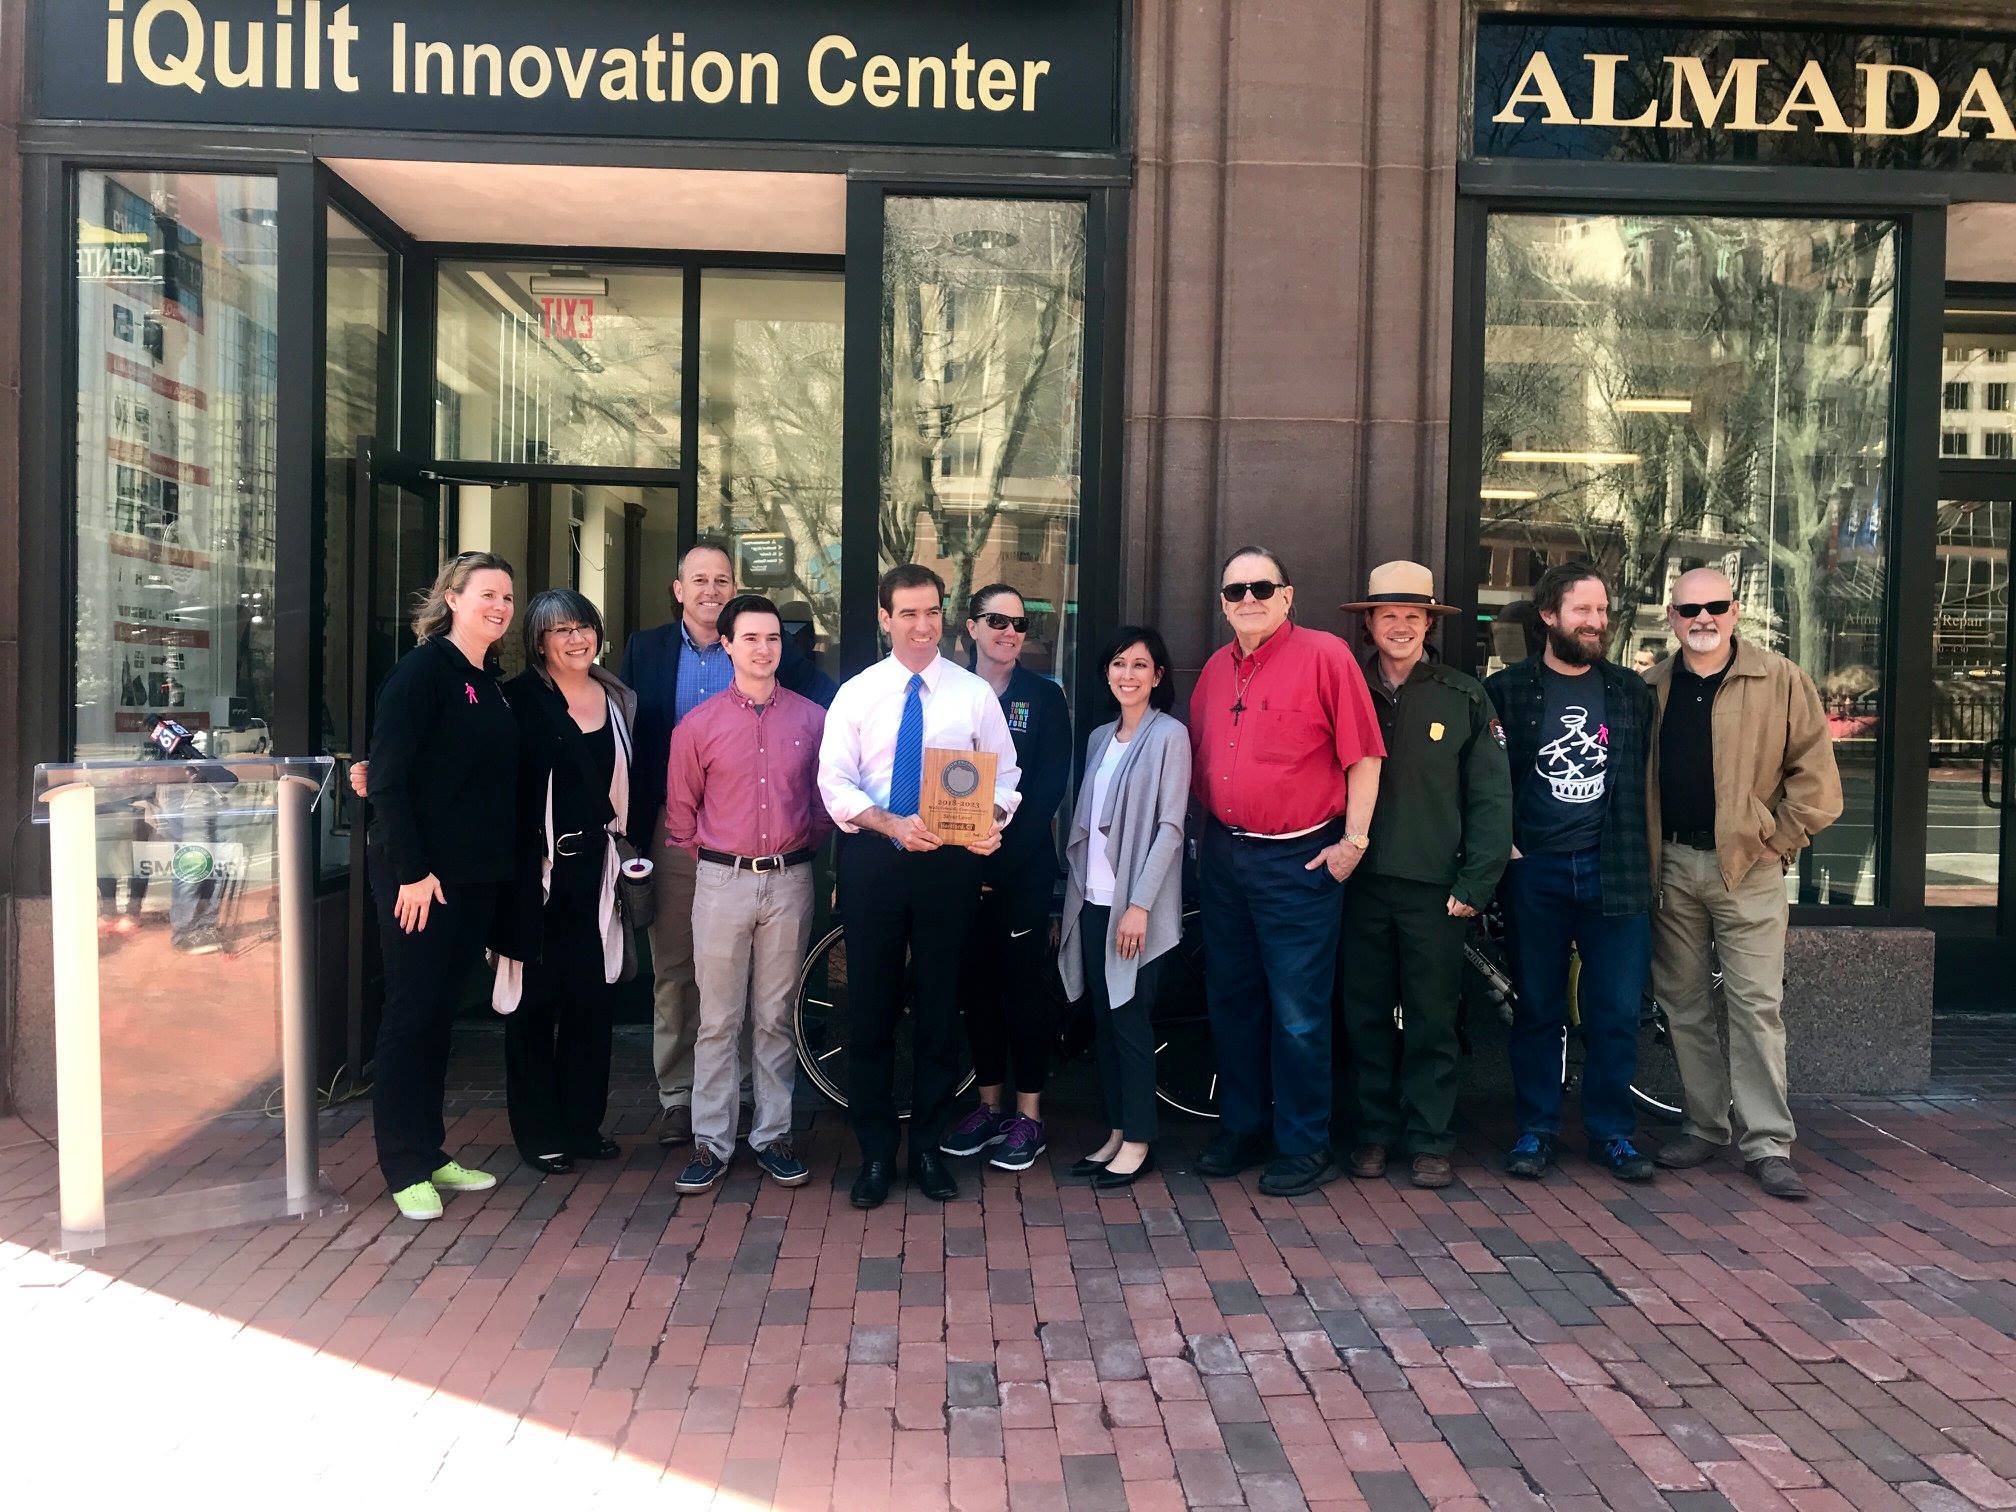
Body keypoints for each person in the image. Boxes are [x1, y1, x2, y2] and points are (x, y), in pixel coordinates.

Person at [817, 563, 1022, 1210]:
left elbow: (1005, 777)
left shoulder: (971, 695)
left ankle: (929, 1148)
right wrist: (887, 823)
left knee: (939, 1009)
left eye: (931, 611)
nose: (921, 624)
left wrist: (991, 821)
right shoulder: (856, 693)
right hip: (875, 858)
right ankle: (876, 1154)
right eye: (907, 612)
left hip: (949, 866)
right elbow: (835, 783)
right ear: (885, 619)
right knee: (869, 1008)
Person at [620, 541, 835, 1149]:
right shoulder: (648, 650)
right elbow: (626, 731)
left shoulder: (769, 653)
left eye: (722, 579)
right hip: (683, 829)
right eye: (699, 579)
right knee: (679, 968)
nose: (710, 589)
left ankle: (750, 1102)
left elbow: (823, 737)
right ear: (678, 588)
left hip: (768, 841)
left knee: (765, 994)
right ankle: (679, 1096)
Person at [1189, 545, 1384, 1196]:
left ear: (1288, 595)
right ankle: (1243, 1127)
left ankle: (1304, 1144)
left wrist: (1353, 842)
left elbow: (1365, 755)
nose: (1249, 599)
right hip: (1224, 857)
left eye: (1262, 587)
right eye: (1236, 590)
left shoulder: (1326, 656)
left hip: (1298, 860)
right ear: (1222, 603)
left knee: (1299, 1012)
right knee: (1232, 1001)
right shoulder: (1216, 669)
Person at [1644, 568, 1842, 1201]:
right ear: (1670, 619)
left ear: (1736, 611)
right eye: (1688, 610)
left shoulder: (1780, 680)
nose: (1703, 619)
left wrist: (1776, 845)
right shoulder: (1651, 688)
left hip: (1749, 868)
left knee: (1756, 1004)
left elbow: (1816, 781)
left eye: (1715, 607)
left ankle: (1767, 1142)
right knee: (1683, 1004)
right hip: (1673, 866)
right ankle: (1706, 1124)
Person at [1336, 563, 1512, 1190]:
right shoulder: (1343, 687)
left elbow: (1492, 799)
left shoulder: (1463, 695)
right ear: (1370, 624)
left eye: (1414, 617)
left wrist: (1476, 883)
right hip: (1356, 887)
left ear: (1429, 624)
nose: (1402, 627)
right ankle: (1373, 1133)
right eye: (1390, 616)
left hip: (1437, 891)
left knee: (1433, 1018)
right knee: (1364, 1017)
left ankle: (1432, 1137)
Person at [1485, 560, 1658, 1184]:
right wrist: (1503, 846)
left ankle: (1612, 1134)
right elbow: (1487, 783)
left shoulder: (1631, 694)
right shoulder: (1506, 691)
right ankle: (1536, 1131)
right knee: (1538, 1010)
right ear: (1549, 616)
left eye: (1602, 611)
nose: (1596, 622)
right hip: (1537, 873)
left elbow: (1647, 785)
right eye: (1582, 610)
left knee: (1613, 1013)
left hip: (1616, 870)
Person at [363, 551, 519, 1221]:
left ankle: (429, 1150)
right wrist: (412, 872)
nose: (500, 606)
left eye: (508, 597)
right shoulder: (421, 672)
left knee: (439, 1017)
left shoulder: (488, 679)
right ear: (453, 597)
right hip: (421, 881)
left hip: (474, 879)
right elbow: (388, 780)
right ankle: (402, 1164)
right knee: (411, 1016)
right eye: (487, 593)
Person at [663, 593, 831, 1194]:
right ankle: (711, 1142)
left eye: (774, 639)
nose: (764, 649)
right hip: (721, 881)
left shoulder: (812, 719)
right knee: (717, 1019)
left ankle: (773, 1136)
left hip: (789, 879)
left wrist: (792, 853)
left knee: (775, 1017)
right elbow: (680, 818)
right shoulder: (698, 726)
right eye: (751, 639)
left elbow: (821, 807)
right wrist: (723, 862)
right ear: (727, 645)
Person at [489, 589, 637, 1177]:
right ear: (538, 641)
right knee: (532, 1003)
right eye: (560, 630)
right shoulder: (516, 699)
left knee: (591, 1001)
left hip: (598, 872)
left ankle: (582, 1124)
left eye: (584, 626)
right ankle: (538, 1133)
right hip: (536, 873)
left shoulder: (618, 697)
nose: (576, 639)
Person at [940, 583, 1071, 1173]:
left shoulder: (1045, 697)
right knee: (975, 987)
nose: (1009, 632)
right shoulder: (948, 692)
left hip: (1019, 867)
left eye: (1021, 624)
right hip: (957, 866)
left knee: (1023, 990)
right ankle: (989, 1106)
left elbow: (1044, 789)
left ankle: (1029, 1115)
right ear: (970, 627)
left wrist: (998, 852)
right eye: (996, 620)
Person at [1058, 627, 1190, 1190]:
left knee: (1132, 1024)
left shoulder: (1170, 736)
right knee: (1104, 1026)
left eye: (1141, 665)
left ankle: (1139, 1141)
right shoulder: (1096, 739)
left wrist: (1138, 906)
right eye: (1119, 663)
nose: (1128, 675)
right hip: (1091, 901)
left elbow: (1171, 827)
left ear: (1158, 677)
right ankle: (1115, 1130)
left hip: (1134, 909)